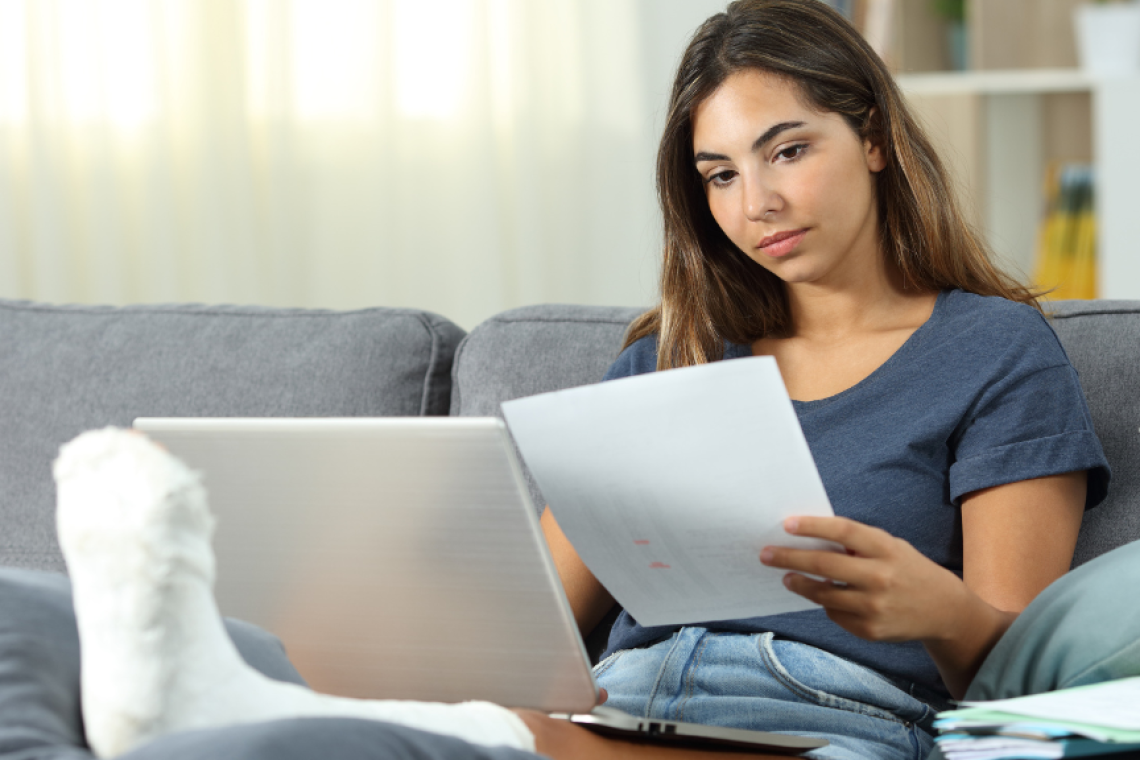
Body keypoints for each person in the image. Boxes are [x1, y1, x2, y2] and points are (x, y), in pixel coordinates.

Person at [516, 1, 1111, 758]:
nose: (757, 204)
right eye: (721, 175)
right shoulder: (675, 354)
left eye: (788, 151)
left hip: (829, 722)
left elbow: (1022, 696)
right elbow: (529, 633)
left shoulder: (996, 352)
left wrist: (942, 611)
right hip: (621, 708)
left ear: (874, 138)